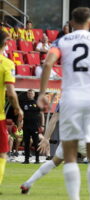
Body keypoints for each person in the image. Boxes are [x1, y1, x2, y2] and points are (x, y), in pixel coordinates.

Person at [37, 7, 90, 200]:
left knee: (70, 154)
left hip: (71, 97)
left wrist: (42, 93)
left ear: (71, 24)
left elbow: (48, 64)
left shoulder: (61, 41)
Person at [0, 30, 23, 192]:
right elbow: (10, 92)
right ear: (4, 43)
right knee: (2, 154)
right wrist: (17, 108)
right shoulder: (7, 63)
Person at [21, 89, 45, 164]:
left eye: (31, 93)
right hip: (26, 126)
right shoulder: (24, 103)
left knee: (36, 142)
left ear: (34, 95)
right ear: (27, 94)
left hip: (35, 126)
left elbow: (42, 114)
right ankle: (26, 159)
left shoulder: (37, 103)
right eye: (28, 93)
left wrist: (42, 125)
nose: (30, 94)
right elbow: (21, 114)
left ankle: (37, 159)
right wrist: (19, 124)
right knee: (27, 143)